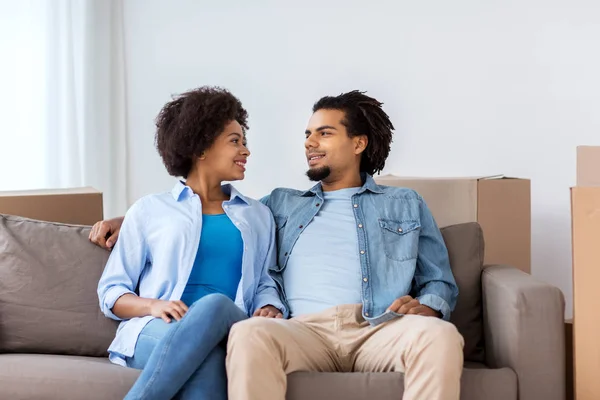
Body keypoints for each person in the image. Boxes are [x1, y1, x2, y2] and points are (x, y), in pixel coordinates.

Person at [91, 90, 463, 400]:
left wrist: (428, 307)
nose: (309, 143)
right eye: (307, 134)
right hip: (303, 330)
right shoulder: (282, 204)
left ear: (359, 143)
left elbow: (438, 281)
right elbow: (198, 209)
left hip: (379, 325)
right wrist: (127, 221)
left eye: (324, 133)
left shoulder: (403, 203)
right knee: (248, 335)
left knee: (441, 336)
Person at [95, 86, 285, 400]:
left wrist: (268, 305)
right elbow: (112, 292)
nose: (246, 151)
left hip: (232, 328)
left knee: (215, 306)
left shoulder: (258, 215)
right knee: (207, 360)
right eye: (234, 141)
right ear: (200, 149)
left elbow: (266, 280)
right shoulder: (148, 211)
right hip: (155, 329)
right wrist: (154, 306)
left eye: (244, 141)